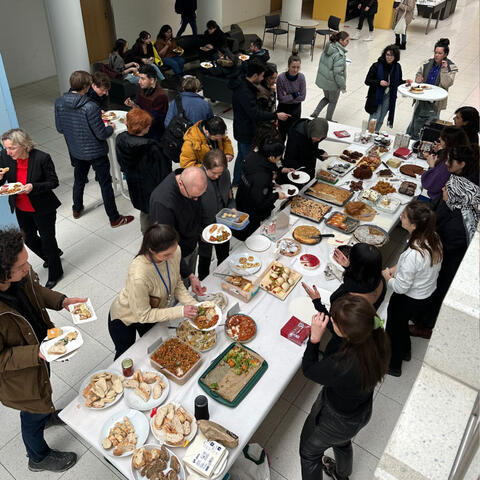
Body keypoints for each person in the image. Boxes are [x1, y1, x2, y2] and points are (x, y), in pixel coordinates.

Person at [0, 227, 86, 473]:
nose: (28, 268)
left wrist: (62, 301)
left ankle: (46, 414)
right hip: (18, 376)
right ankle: (37, 457)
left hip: (39, 351)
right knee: (31, 411)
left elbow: (37, 291)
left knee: (42, 390)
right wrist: (35, 354)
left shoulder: (21, 276)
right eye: (21, 267)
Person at [299, 295, 390, 480]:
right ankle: (342, 476)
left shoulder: (342, 365)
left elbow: (309, 370)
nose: (331, 321)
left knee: (309, 454)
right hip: (360, 412)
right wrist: (318, 302)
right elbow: (339, 326)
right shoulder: (376, 340)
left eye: (335, 321)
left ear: (347, 334)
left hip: (335, 420)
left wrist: (315, 339)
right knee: (342, 443)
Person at [54, 70, 133, 227]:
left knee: (79, 179)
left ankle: (77, 209)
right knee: (105, 183)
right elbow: (101, 134)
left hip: (76, 150)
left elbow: (60, 128)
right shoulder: (90, 107)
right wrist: (110, 127)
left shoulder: (59, 102)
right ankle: (114, 218)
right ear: (86, 86)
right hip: (96, 152)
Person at [109, 224, 198, 358]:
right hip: (126, 318)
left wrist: (193, 304)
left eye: (174, 251)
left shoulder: (174, 252)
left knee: (156, 348)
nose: (172, 256)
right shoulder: (139, 276)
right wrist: (180, 311)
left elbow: (177, 283)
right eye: (166, 255)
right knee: (125, 355)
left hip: (152, 311)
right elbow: (143, 316)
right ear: (151, 250)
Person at [412, 174, 480, 338]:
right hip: (444, 260)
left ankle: (425, 326)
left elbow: (441, 247)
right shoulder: (460, 209)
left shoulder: (458, 225)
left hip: (446, 265)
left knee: (437, 291)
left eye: (447, 188)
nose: (443, 188)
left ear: (457, 194)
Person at [382, 201, 443, 376]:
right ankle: (406, 352)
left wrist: (388, 276)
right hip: (426, 293)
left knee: (394, 328)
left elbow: (400, 287)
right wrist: (397, 268)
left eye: (404, 216)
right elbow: (416, 269)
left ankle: (393, 365)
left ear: (414, 225)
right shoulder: (433, 237)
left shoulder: (414, 254)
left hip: (409, 298)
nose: (401, 216)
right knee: (401, 326)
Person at [0, 129, 63, 288]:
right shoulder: (5, 157)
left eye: (11, 148)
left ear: (23, 145)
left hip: (43, 208)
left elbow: (53, 182)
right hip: (21, 207)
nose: (8, 152)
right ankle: (51, 257)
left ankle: (56, 272)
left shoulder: (42, 158)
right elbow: (3, 182)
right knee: (28, 238)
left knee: (48, 241)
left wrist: (33, 187)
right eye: (5, 148)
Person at [303, 242, 386, 354]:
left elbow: (335, 326)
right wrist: (348, 267)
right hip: (361, 327)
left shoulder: (349, 298)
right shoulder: (380, 280)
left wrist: (317, 302)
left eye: (350, 257)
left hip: (343, 342)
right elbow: (360, 280)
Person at [149, 166, 208, 295]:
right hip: (174, 254)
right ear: (180, 183)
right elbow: (166, 246)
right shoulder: (163, 204)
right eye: (193, 197)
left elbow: (196, 210)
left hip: (190, 244)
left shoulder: (192, 185)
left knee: (188, 282)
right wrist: (189, 274)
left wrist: (200, 232)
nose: (197, 200)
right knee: (178, 290)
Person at [231, 62, 289, 185]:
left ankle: (237, 180)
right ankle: (241, 182)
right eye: (262, 76)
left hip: (244, 127)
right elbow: (256, 114)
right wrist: (275, 115)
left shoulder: (245, 85)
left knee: (242, 155)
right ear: (255, 75)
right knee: (245, 157)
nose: (263, 78)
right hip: (245, 130)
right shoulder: (246, 92)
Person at [115, 108, 172, 234]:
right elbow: (163, 173)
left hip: (134, 184)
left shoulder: (120, 139)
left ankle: (146, 237)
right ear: (144, 127)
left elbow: (121, 163)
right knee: (160, 217)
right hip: (153, 188)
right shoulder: (152, 147)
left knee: (145, 213)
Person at [235, 134, 292, 240]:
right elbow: (260, 202)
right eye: (279, 156)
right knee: (250, 234)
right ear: (271, 157)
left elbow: (252, 181)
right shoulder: (262, 176)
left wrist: (271, 184)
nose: (280, 158)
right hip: (251, 208)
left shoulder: (252, 156)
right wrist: (277, 195)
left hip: (242, 196)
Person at [406, 38, 458, 139]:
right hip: (422, 97)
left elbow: (447, 83)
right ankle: (412, 137)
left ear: (445, 55)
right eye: (435, 52)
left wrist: (443, 70)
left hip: (435, 101)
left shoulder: (450, 67)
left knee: (431, 123)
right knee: (416, 120)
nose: (436, 55)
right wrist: (418, 79)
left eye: (439, 53)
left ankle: (424, 140)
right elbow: (418, 75)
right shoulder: (427, 63)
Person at [198, 150, 233, 279]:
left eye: (220, 173)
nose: (218, 176)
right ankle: (203, 283)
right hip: (205, 226)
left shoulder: (225, 173)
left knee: (224, 256)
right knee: (204, 259)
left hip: (223, 224)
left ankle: (222, 278)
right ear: (205, 167)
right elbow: (191, 212)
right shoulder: (197, 179)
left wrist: (232, 208)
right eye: (214, 173)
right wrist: (199, 231)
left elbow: (230, 196)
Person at [364, 44, 412, 131]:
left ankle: (375, 133)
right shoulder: (376, 65)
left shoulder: (397, 67)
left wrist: (405, 82)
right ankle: (368, 134)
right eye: (387, 55)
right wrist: (379, 82)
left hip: (389, 96)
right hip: (376, 96)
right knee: (375, 117)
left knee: (381, 118)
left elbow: (397, 82)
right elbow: (367, 81)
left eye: (392, 55)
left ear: (395, 56)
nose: (389, 57)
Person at [421, 126, 471, 199]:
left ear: (447, 141)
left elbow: (431, 184)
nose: (439, 139)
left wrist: (431, 166)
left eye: (441, 138)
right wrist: (441, 151)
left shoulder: (450, 161)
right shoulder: (459, 153)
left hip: (439, 200)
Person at [125, 65, 169, 142]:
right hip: (142, 129)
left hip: (153, 135)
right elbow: (140, 108)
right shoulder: (142, 89)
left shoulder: (160, 96)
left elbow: (154, 120)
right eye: (139, 78)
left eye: (142, 79)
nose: (139, 81)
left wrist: (134, 123)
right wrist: (133, 105)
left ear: (152, 80)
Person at [311, 32, 349, 121]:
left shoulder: (329, 47)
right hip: (333, 83)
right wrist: (342, 86)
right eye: (347, 40)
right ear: (341, 41)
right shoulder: (339, 54)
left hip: (324, 80)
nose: (348, 42)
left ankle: (315, 113)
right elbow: (338, 73)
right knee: (333, 101)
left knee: (327, 98)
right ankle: (328, 119)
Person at [276, 55, 306, 140]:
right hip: (283, 109)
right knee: (281, 136)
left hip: (296, 110)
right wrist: (295, 94)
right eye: (293, 67)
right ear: (288, 66)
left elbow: (303, 97)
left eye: (298, 67)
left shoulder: (301, 77)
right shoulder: (281, 78)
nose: (295, 70)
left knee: (293, 136)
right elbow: (281, 98)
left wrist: (288, 96)